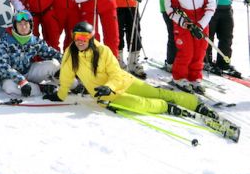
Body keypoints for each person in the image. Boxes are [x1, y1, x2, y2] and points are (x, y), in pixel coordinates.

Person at [43, 22, 218, 121]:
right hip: (106, 96)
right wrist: (60, 94)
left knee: (156, 92)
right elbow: (66, 76)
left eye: (84, 37)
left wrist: (109, 86)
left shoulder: (103, 51)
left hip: (122, 82)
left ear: (91, 38)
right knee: (139, 104)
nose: (80, 41)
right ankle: (167, 107)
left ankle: (194, 103)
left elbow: (116, 73)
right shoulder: (70, 53)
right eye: (77, 37)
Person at [165, 0, 216, 94]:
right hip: (184, 22)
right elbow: (169, 8)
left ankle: (195, 78)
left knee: (199, 52)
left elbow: (211, 4)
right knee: (186, 51)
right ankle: (179, 77)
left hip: (201, 20)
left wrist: (201, 24)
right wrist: (183, 22)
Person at [0, 10, 62, 97]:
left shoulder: (34, 41)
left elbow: (51, 53)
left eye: (26, 23)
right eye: (20, 24)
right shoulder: (5, 41)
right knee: (10, 88)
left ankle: (74, 85)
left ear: (31, 25)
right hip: (10, 76)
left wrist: (65, 60)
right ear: (15, 26)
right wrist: (21, 80)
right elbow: (3, 67)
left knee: (54, 65)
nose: (23, 27)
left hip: (27, 71)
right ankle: (41, 88)